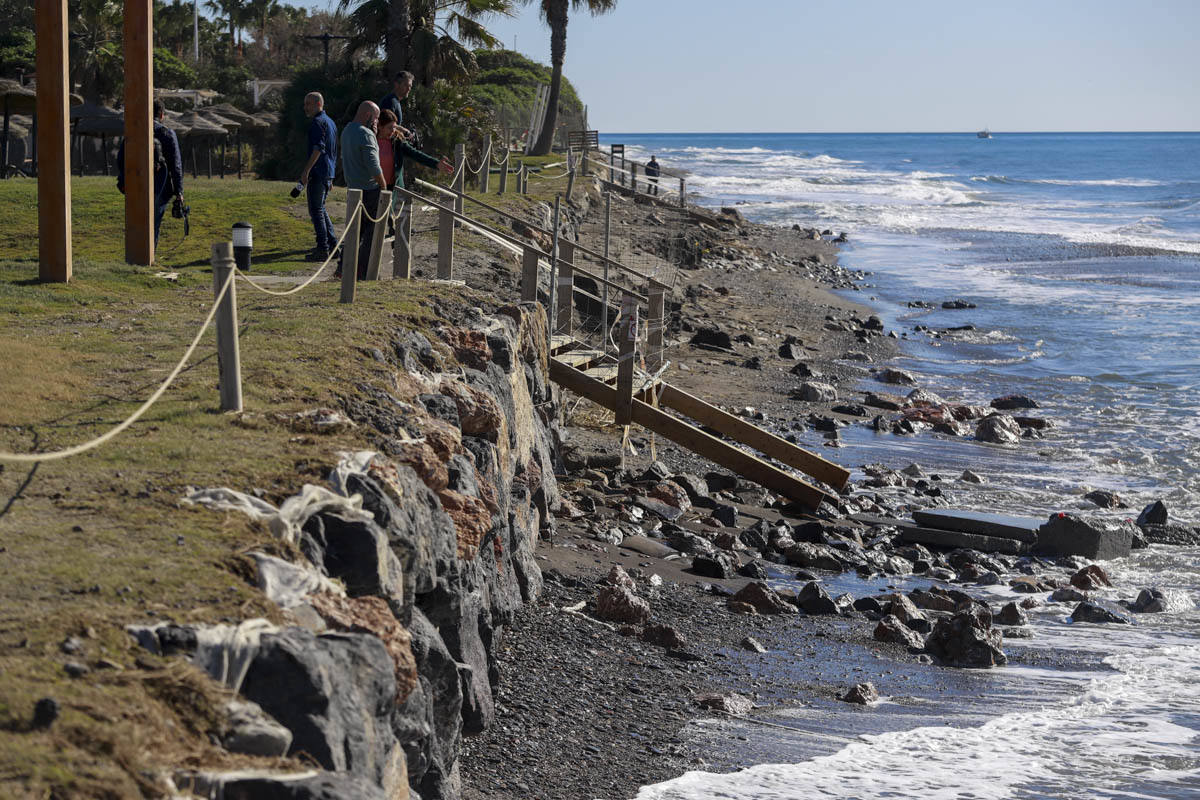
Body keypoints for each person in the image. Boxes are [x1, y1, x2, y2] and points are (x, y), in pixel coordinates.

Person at [116, 99, 184, 247]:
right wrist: (179, 192)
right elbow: (176, 165)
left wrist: (123, 182)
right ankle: (148, 258)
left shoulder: (133, 132)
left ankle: (134, 257)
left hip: (135, 187)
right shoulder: (167, 133)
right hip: (160, 188)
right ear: (161, 115)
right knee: (153, 225)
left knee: (136, 224)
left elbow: (121, 159)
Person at [298, 91, 337, 262]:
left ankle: (323, 248)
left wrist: (306, 171)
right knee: (320, 208)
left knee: (316, 209)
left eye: (308, 104)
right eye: (305, 104)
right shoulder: (331, 123)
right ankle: (333, 245)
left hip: (319, 171)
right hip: (328, 171)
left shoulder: (317, 122)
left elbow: (319, 148)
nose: (305, 107)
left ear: (318, 104)